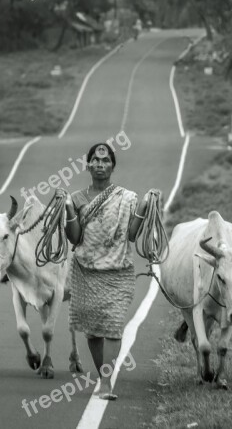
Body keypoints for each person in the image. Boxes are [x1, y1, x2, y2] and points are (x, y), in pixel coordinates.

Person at [64, 142, 148, 400]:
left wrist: (145, 205)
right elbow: (75, 238)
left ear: (112, 166)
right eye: (96, 160)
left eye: (105, 160)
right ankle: (102, 376)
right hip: (86, 272)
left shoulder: (127, 198)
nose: (100, 164)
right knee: (92, 329)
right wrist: (67, 209)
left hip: (118, 271)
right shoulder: (76, 198)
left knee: (112, 326)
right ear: (88, 165)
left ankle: (107, 382)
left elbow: (132, 235)